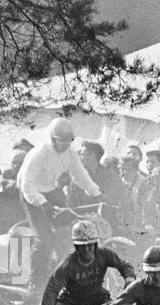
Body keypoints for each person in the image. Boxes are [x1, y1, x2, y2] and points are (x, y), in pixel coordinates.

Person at [18, 117, 102, 278]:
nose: (67, 144)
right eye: (62, 141)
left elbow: (80, 175)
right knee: (45, 239)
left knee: (70, 231)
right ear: (52, 139)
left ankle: (63, 272)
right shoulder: (39, 153)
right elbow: (26, 185)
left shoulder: (70, 153)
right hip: (30, 194)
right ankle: (36, 281)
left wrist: (96, 192)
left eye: (69, 140)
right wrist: (42, 203)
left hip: (50, 191)